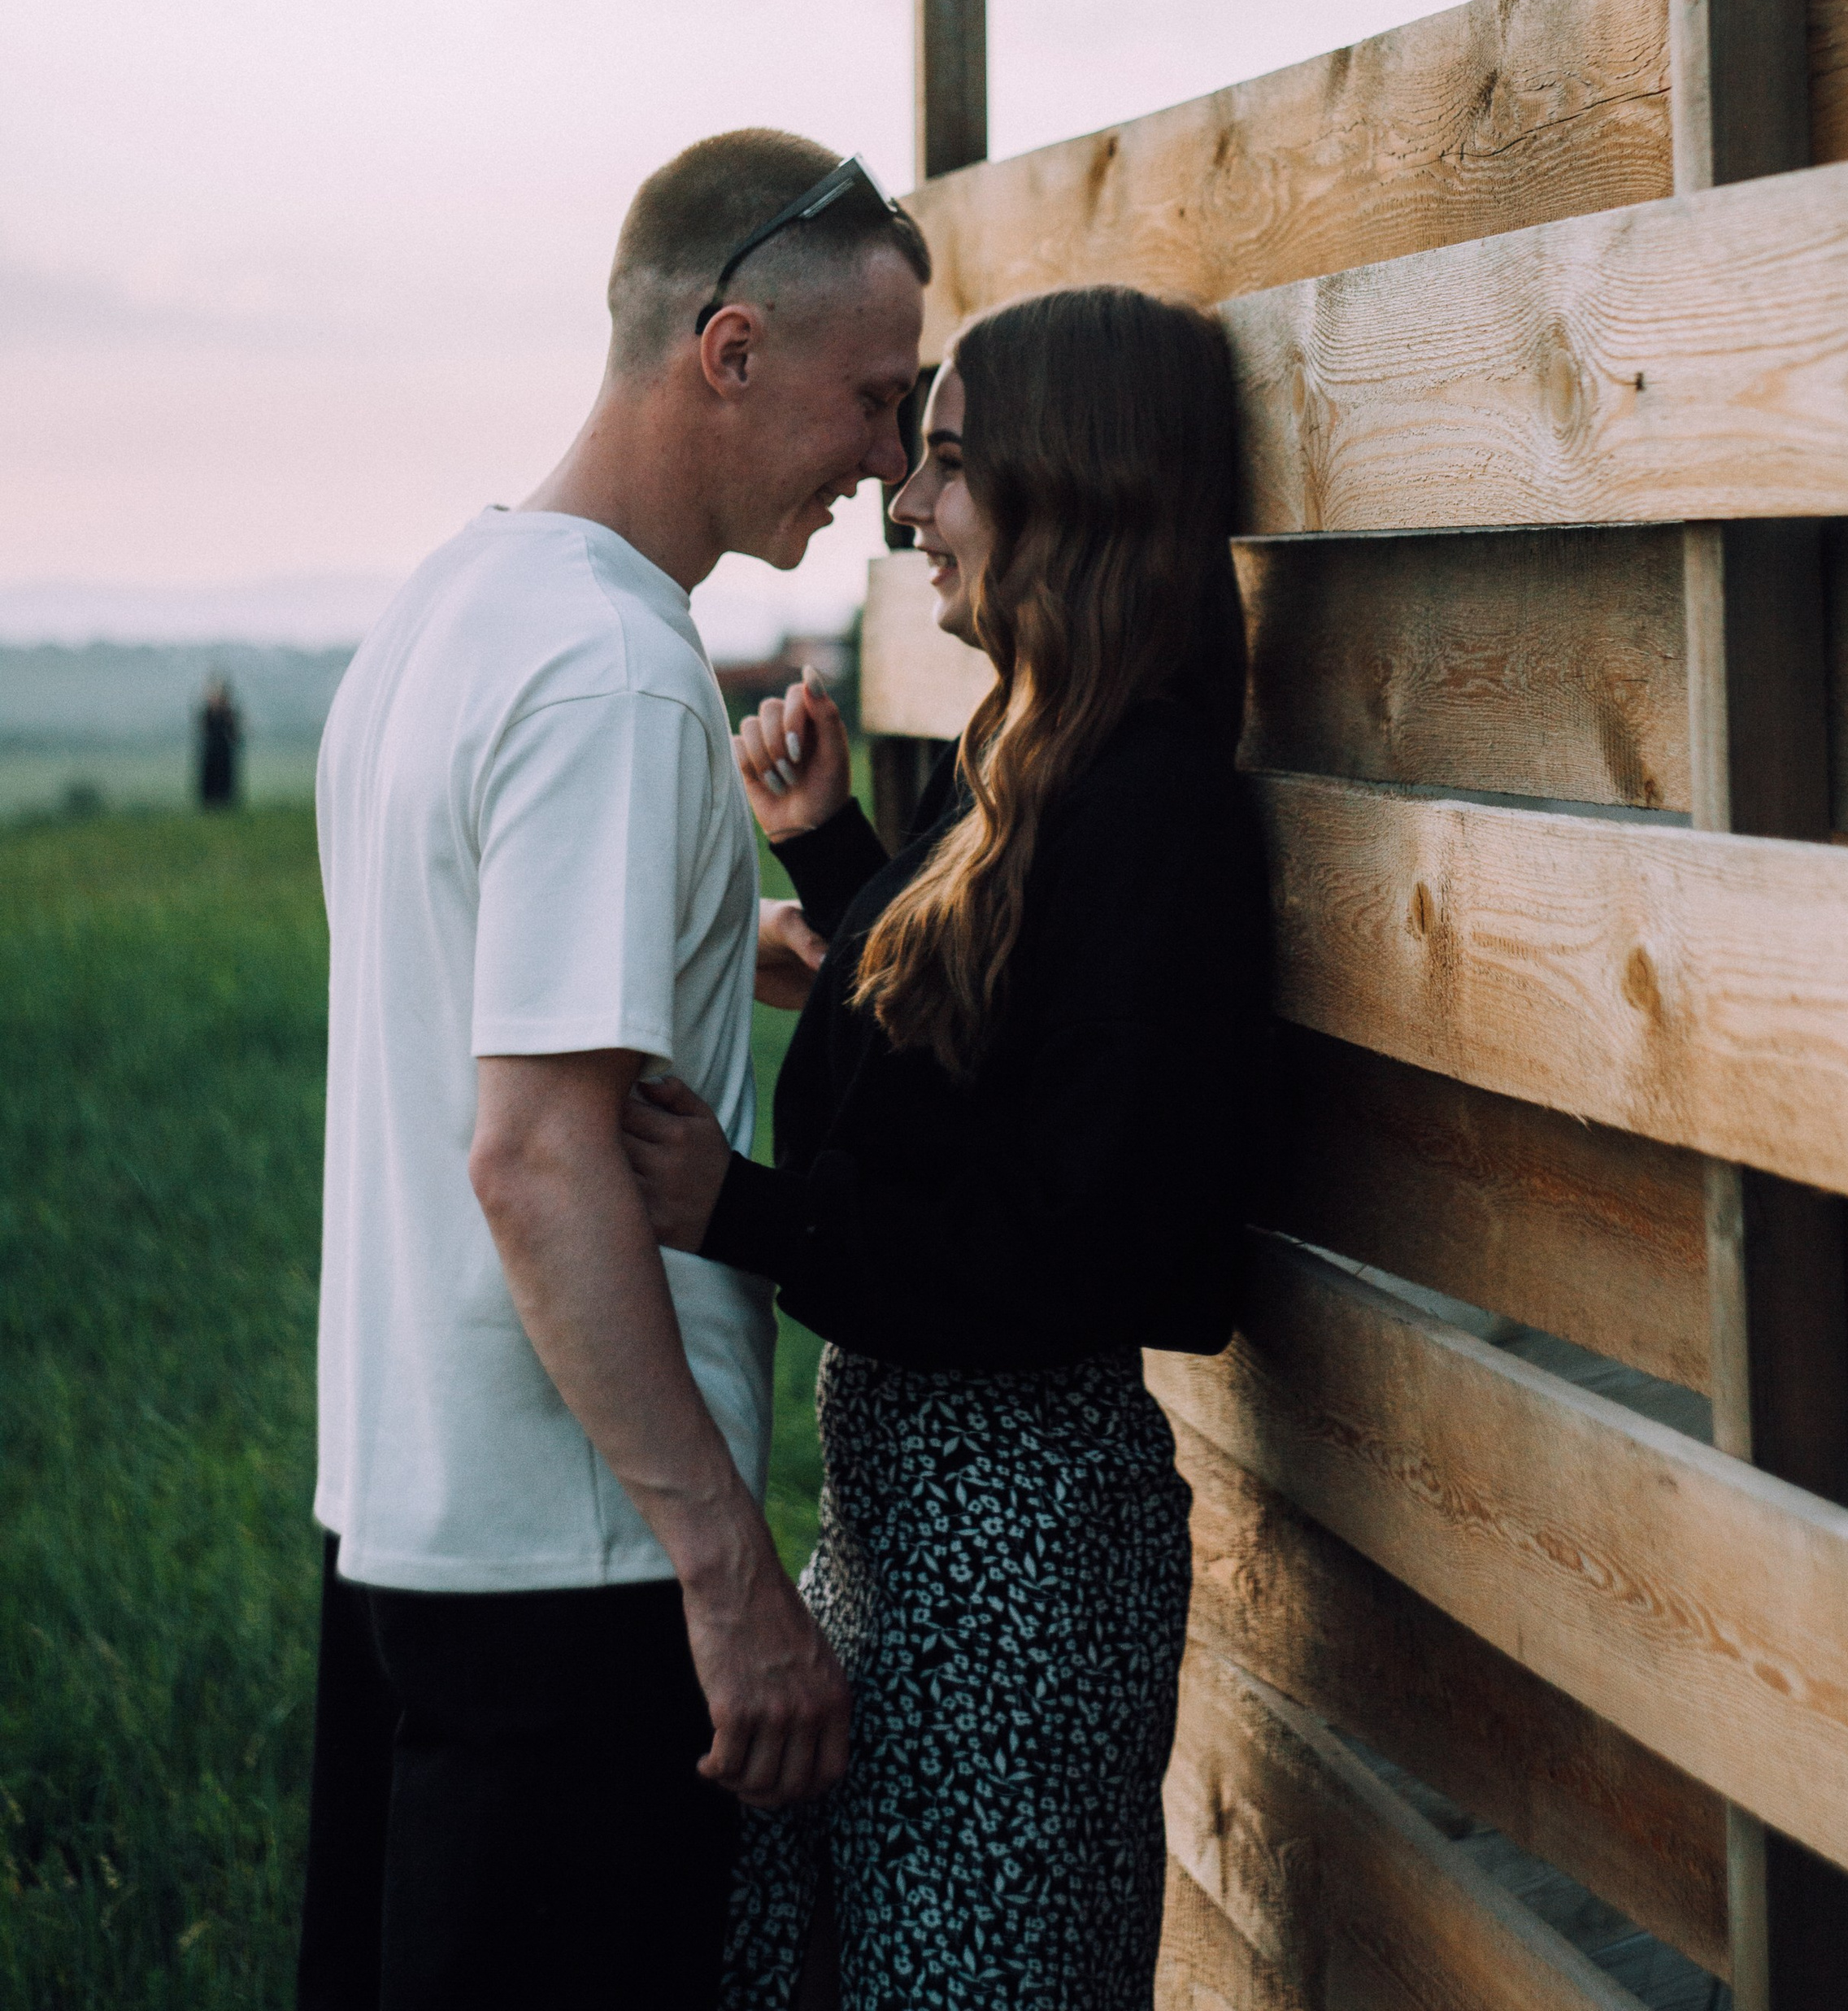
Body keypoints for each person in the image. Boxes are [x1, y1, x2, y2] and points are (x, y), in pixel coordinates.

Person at [297, 131, 930, 2011]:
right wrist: (728, 1572)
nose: (888, 462)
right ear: (728, 349)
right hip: (577, 1565)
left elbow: (467, 968)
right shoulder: (612, 674)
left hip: (411, 1518)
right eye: (873, 399)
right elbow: (537, 1160)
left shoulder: (450, 609)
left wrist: (721, 945)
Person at [622, 285, 1272, 2011]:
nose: (907, 508)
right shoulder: (1027, 764)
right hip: (909, 1530)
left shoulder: (1155, 809)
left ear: (1081, 484)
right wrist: (836, 866)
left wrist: (744, 1213)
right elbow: (1004, 1063)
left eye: (955, 465)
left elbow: (1097, 1236)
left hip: (1021, 1563)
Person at [197, 675, 241, 808]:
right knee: (210, 779)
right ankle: (209, 803)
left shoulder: (229, 712)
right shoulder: (208, 712)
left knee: (224, 778)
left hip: (223, 750)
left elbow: (234, 734)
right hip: (211, 750)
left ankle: (225, 802)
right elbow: (203, 730)